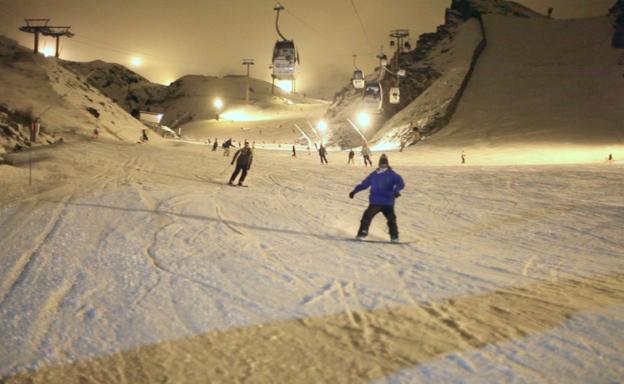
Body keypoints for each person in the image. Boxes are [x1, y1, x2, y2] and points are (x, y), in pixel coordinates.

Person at [349, 154, 404, 242]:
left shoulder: (392, 174)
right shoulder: (373, 175)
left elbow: (400, 183)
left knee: (391, 219)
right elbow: (364, 184)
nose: (383, 166)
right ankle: (362, 234)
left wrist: (396, 191)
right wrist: (354, 191)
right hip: (376, 202)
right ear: (379, 164)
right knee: (367, 217)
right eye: (381, 164)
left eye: (384, 164)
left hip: (387, 202)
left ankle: (394, 237)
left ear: (387, 164)